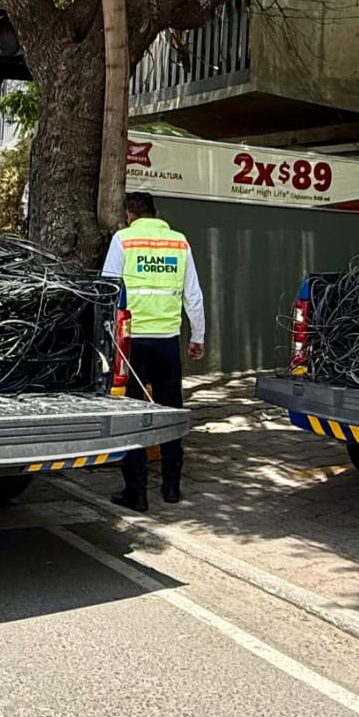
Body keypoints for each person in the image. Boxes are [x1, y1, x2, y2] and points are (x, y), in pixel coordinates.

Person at [100, 191, 206, 510]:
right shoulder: (179, 242)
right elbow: (194, 295)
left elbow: (109, 290)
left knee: (133, 414)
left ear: (130, 215)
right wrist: (197, 336)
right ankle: (172, 488)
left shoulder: (124, 239)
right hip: (167, 340)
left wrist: (107, 342)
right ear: (156, 213)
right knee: (170, 411)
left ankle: (137, 493)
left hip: (133, 342)